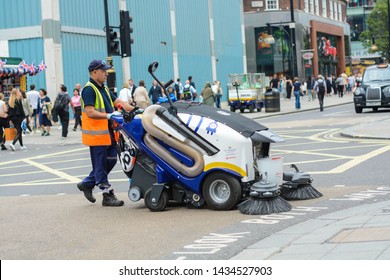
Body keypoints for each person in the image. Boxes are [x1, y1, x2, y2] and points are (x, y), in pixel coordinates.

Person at [77, 59, 134, 207]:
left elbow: (118, 102)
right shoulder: (89, 89)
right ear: (94, 72)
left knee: (111, 160)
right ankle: (107, 195)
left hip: (107, 133)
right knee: (101, 165)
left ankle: (87, 183)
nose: (106, 74)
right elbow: (90, 112)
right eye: (103, 71)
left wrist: (135, 110)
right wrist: (108, 115)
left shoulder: (104, 88)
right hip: (96, 134)